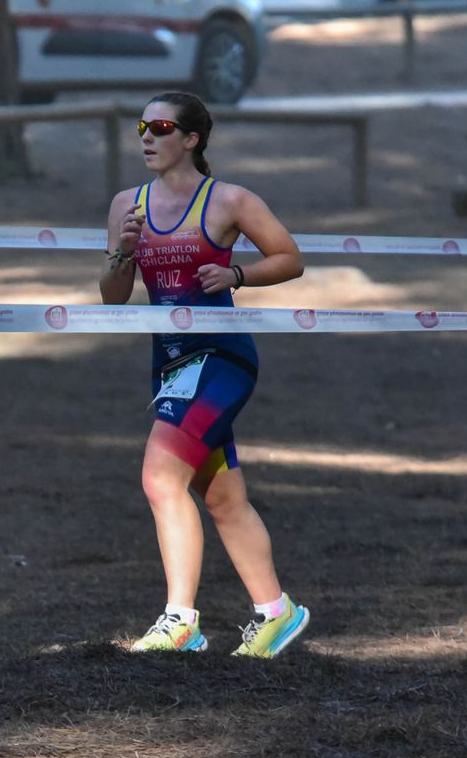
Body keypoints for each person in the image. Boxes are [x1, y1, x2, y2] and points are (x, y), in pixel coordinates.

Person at [99, 91, 311, 658]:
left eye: (160, 127)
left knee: (160, 477)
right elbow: (113, 298)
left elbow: (290, 257)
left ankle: (180, 621)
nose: (146, 136)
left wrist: (237, 273)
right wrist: (123, 251)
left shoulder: (229, 200)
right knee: (222, 499)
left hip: (221, 360)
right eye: (141, 125)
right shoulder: (127, 204)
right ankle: (276, 612)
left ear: (190, 139)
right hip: (169, 366)